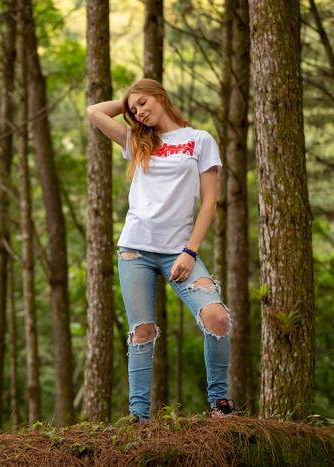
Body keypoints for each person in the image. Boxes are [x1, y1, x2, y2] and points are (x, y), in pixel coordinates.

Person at [87, 78, 234, 421]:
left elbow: (209, 202)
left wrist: (190, 252)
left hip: (179, 251)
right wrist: (127, 105)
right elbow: (95, 111)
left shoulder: (199, 140)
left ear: (160, 96)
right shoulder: (137, 140)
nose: (139, 112)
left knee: (217, 317)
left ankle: (221, 404)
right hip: (135, 249)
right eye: (133, 109)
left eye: (143, 103)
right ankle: (139, 417)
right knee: (143, 331)